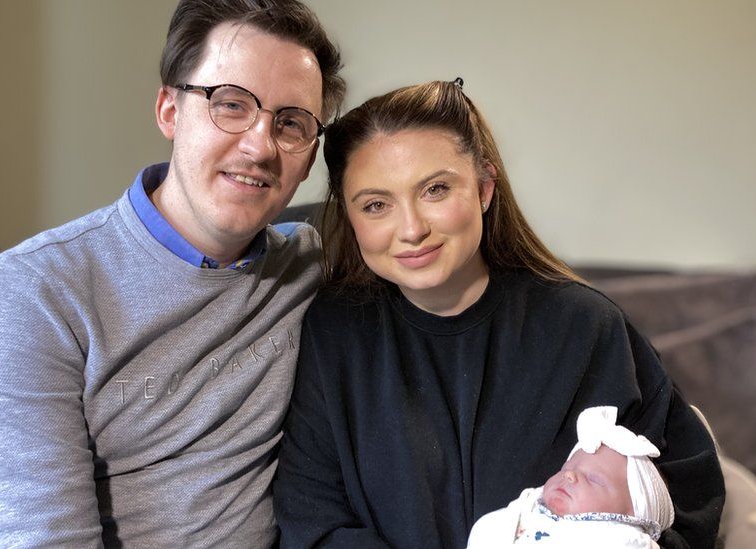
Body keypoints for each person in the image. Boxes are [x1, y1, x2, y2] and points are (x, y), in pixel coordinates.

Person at [272, 79, 725, 549]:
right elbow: (312, 518)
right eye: (376, 205)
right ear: (349, 217)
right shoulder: (332, 331)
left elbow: (684, 502)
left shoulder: (586, 328)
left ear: (485, 189)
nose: (411, 229)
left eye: (435, 190)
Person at [0, 1, 344, 547]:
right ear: (170, 110)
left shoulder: (308, 266)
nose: (260, 145)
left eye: (291, 123)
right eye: (231, 104)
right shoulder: (37, 287)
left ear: (310, 157)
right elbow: (45, 537)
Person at [466, 406, 675, 548]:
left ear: (632, 516)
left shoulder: (623, 539)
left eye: (593, 479)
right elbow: (485, 531)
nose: (570, 475)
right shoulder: (525, 510)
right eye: (566, 467)